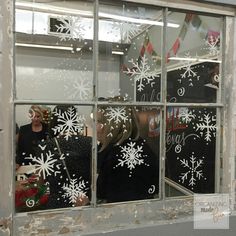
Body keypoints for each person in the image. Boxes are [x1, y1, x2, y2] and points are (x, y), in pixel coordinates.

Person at [96, 97, 159, 203]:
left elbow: (120, 208)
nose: (96, 127)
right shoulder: (142, 146)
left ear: (112, 124)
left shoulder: (118, 158)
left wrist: (85, 204)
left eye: (98, 121)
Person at [35, 105, 92, 209]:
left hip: (57, 204)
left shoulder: (45, 146)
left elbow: (40, 181)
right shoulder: (89, 142)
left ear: (54, 121)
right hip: (84, 202)